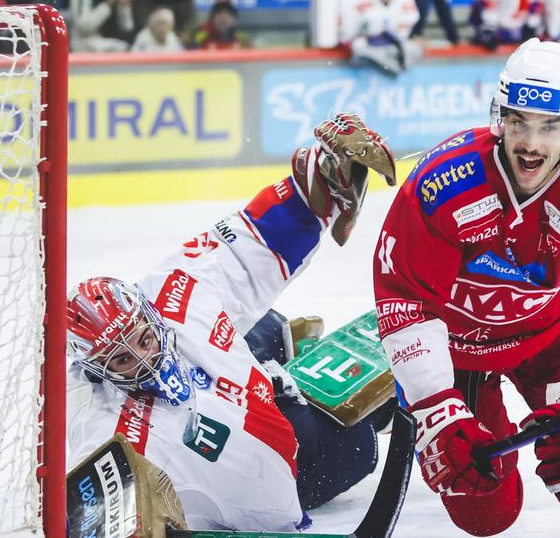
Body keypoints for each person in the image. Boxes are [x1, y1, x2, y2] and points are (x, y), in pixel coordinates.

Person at [372, 39, 560, 536]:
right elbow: (406, 298)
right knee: (487, 512)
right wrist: (434, 405)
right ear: (499, 117)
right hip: (463, 351)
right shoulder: (444, 182)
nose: (531, 142)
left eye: (549, 126)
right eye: (520, 122)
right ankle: (405, 395)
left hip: (554, 342)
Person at [67, 113, 398, 532]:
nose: (143, 358)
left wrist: (325, 173)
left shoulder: (173, 293)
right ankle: (301, 373)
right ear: (97, 371)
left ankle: (277, 349)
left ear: (149, 312)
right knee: (359, 449)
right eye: (120, 360)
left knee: (263, 325)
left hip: (243, 385)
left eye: (144, 338)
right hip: (277, 447)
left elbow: (248, 245)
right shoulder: (97, 427)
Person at [338, 0, 421, 75]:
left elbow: (406, 28)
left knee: (413, 49)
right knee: (360, 48)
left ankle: (393, 72)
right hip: (364, 46)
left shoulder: (406, 0)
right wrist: (367, 37)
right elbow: (345, 34)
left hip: (390, 47)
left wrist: (393, 37)